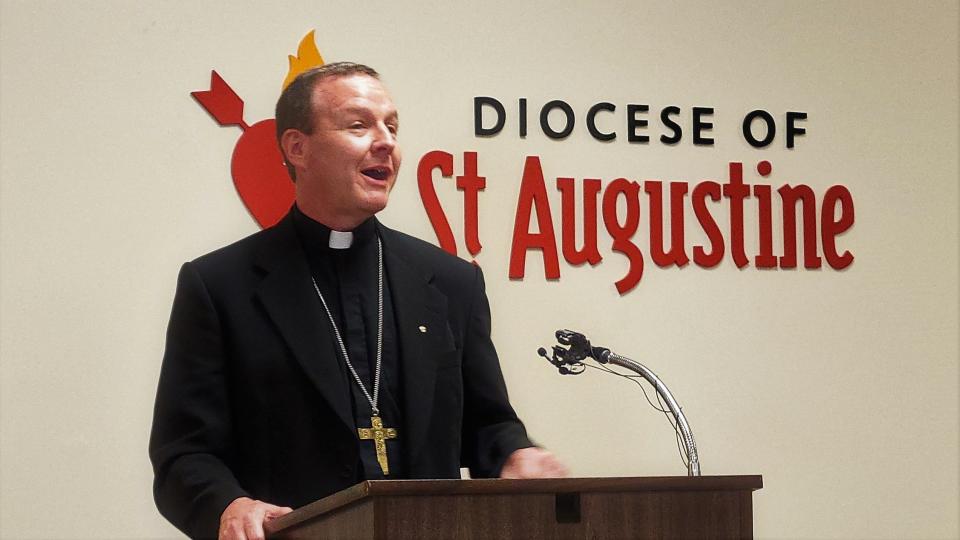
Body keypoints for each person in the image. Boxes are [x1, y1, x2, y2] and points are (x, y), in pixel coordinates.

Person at [149, 62, 566, 540]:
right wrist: (228, 504)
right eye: (359, 125)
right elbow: (184, 453)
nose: (385, 141)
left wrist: (516, 454)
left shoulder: (450, 283)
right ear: (297, 147)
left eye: (392, 126)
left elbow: (488, 424)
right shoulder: (220, 286)